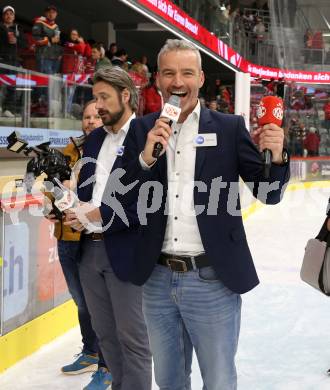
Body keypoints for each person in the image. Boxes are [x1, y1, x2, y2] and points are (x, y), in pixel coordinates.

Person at [121, 39, 290, 390]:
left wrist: (275, 158)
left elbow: (268, 193)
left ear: (200, 78)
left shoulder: (229, 128)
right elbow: (122, 200)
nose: (177, 82)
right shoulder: (141, 130)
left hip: (211, 279)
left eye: (186, 73)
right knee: (168, 381)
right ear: (156, 79)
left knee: (218, 380)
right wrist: (145, 159)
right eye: (169, 73)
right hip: (156, 279)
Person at [63, 66, 152, 390]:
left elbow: (149, 201)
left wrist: (99, 212)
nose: (97, 105)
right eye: (94, 98)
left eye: (104, 97)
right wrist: (67, 207)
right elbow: (87, 194)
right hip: (89, 251)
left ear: (125, 96)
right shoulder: (96, 137)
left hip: (126, 251)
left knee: (133, 340)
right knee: (106, 337)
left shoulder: (146, 133)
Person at [44, 100, 113, 390]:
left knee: (100, 305)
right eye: (86, 117)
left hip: (94, 240)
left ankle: (107, 365)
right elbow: (52, 187)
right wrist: (52, 205)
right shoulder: (69, 152)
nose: (90, 121)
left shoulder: (110, 151)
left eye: (96, 116)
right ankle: (90, 351)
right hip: (67, 239)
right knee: (82, 302)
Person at [0, 5, 26, 117]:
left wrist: (16, 40)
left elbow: (24, 44)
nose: (9, 15)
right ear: (3, 16)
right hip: (1, 60)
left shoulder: (18, 28)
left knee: (11, 86)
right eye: (6, 13)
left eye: (11, 14)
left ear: (14, 17)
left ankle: (8, 110)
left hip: (13, 61)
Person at [32, 5, 62, 74]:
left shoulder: (56, 26)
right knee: (44, 81)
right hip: (43, 56)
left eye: (53, 12)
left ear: (56, 14)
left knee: (52, 81)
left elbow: (57, 42)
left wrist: (60, 53)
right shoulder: (39, 22)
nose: (51, 14)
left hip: (55, 58)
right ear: (45, 13)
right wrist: (50, 40)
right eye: (49, 12)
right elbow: (35, 38)